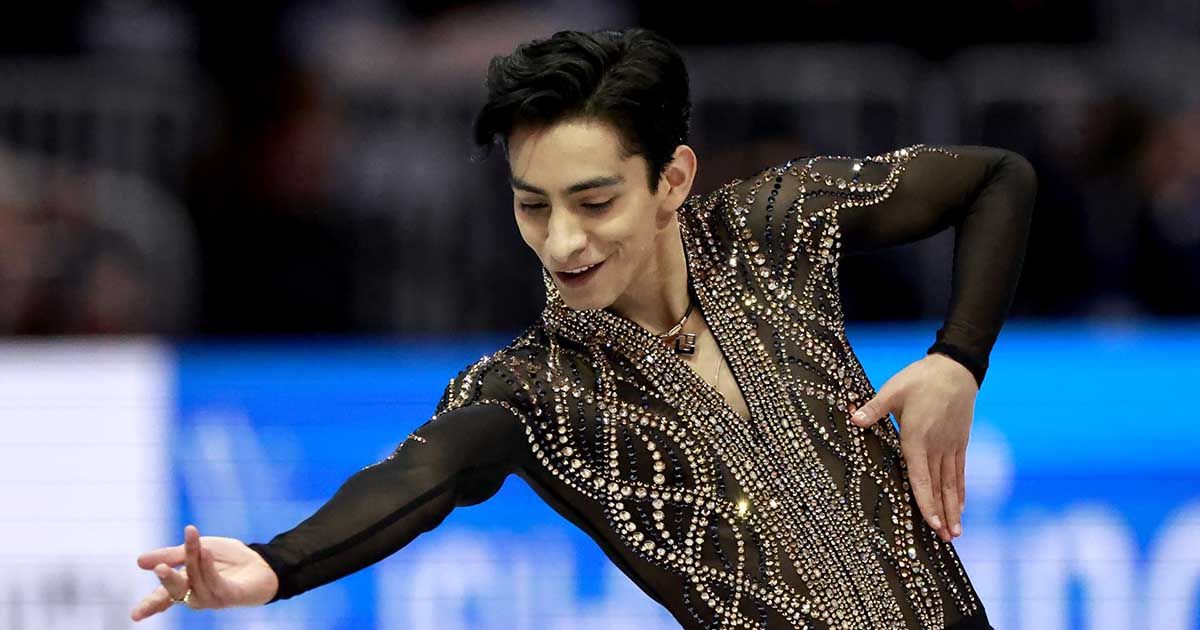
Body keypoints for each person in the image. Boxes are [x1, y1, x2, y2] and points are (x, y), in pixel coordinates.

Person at [131, 27, 1035, 629]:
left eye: (595, 201)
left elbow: (998, 178)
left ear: (671, 180)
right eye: (533, 206)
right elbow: (419, 474)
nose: (562, 241)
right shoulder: (535, 390)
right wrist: (278, 565)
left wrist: (956, 361)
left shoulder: (771, 230)